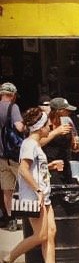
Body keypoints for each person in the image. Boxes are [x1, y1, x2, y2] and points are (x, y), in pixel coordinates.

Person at [0, 107, 74, 263]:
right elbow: (24, 170)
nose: (50, 126)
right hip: (35, 196)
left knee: (51, 231)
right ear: (40, 127)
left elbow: (32, 169)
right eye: (47, 124)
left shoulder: (33, 145)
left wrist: (50, 166)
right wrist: (38, 190)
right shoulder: (29, 145)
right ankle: (7, 260)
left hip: (42, 194)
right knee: (41, 235)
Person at [0, 82, 23, 231]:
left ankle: (11, 219)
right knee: (26, 186)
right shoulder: (13, 107)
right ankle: (29, 215)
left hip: (0, 156)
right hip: (13, 154)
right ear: (13, 95)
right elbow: (19, 127)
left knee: (7, 190)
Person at [41, 97, 77, 186]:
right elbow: (37, 143)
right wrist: (56, 132)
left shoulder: (67, 121)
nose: (69, 113)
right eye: (67, 110)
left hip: (66, 165)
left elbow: (73, 144)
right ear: (58, 111)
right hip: (51, 165)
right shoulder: (44, 123)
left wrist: (76, 145)